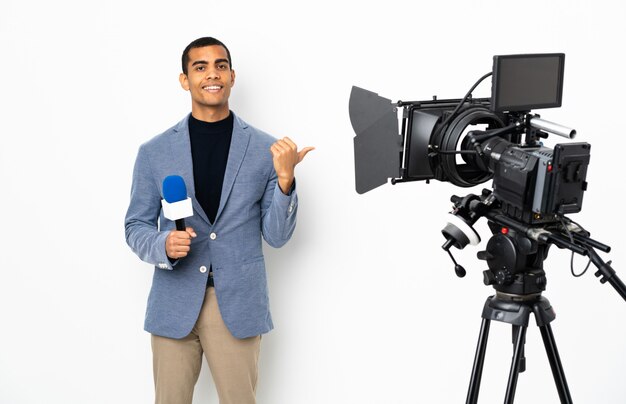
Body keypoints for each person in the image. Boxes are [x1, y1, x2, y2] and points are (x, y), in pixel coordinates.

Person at [125, 36, 313, 404]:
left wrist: (286, 182)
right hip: (173, 303)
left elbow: (275, 237)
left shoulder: (266, 150)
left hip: (238, 304)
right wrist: (163, 244)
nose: (213, 74)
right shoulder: (154, 152)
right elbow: (135, 226)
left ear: (232, 76)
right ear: (185, 80)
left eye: (221, 66)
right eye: (200, 67)